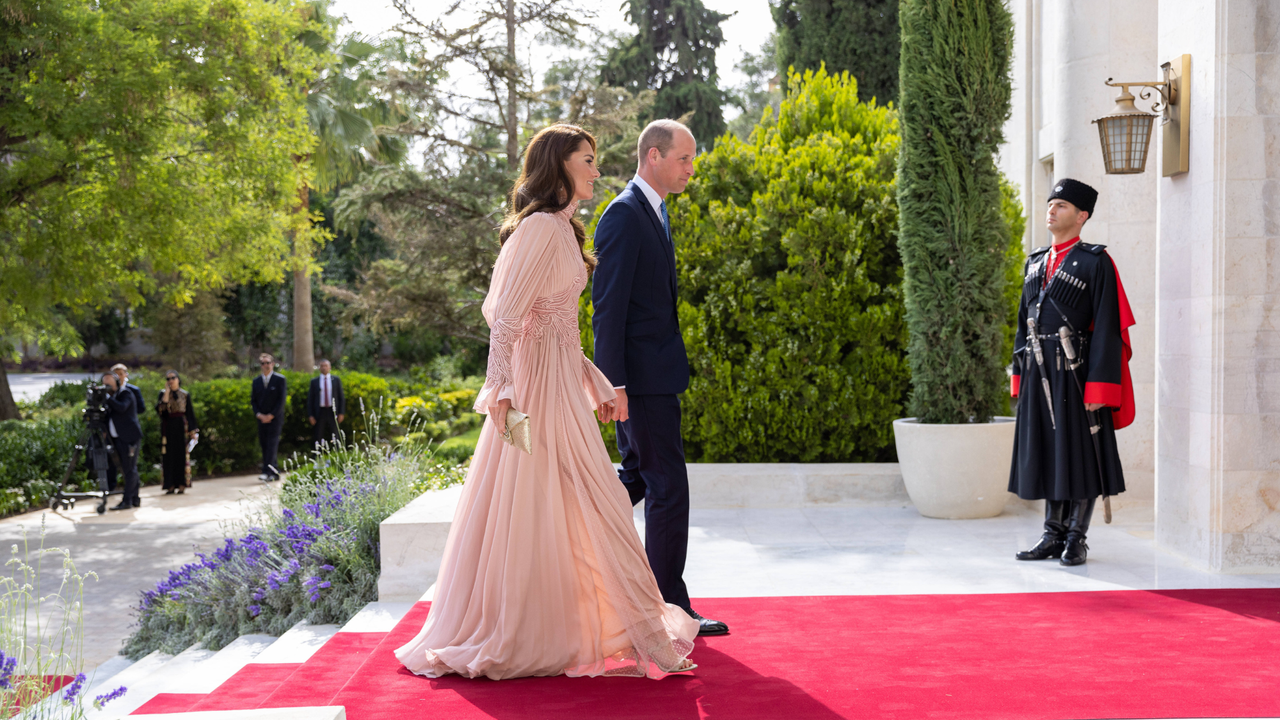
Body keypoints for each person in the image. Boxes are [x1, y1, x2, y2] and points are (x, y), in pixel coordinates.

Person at [394, 124, 699, 681]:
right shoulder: (536, 228)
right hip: (534, 389)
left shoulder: (565, 228)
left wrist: (594, 379)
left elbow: (559, 325)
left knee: (588, 499)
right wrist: (502, 391)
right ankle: (532, 629)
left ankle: (603, 623)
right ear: (559, 165)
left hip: (563, 384)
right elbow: (507, 318)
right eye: (587, 160)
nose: (596, 170)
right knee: (554, 501)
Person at [590, 119, 729, 636]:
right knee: (668, 487)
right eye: (684, 158)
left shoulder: (654, 210)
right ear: (653, 156)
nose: (692, 168)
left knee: (635, 480)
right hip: (641, 383)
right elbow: (608, 308)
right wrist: (615, 385)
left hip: (653, 375)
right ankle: (669, 609)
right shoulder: (625, 214)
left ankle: (566, 543)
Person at [1010, 178, 1136, 566]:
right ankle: (1052, 534)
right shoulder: (1034, 262)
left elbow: (1108, 328)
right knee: (1051, 454)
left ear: (1082, 216)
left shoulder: (1096, 262)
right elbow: (1022, 325)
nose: (1052, 209)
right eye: (1051, 203)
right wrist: (1018, 376)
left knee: (1081, 456)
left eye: (1062, 205)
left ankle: (1076, 538)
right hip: (1038, 371)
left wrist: (1100, 386)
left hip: (1077, 373)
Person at [102, 371, 142, 510]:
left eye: (109, 384)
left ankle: (127, 501)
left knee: (129, 469)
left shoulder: (126, 393)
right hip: (117, 439)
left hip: (130, 438)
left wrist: (107, 397)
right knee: (129, 469)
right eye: (104, 384)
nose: (106, 387)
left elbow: (121, 407)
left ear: (117, 383)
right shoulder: (111, 397)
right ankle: (135, 498)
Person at [156, 371, 198, 494]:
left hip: (181, 427)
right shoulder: (163, 394)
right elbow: (160, 411)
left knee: (181, 455)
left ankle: (181, 483)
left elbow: (190, 413)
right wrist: (166, 394)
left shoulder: (184, 394)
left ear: (178, 379)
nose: (171, 380)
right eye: (168, 378)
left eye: (173, 378)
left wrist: (193, 431)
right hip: (168, 427)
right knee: (168, 456)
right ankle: (169, 484)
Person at [251, 353, 287, 481]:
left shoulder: (280, 379)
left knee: (272, 444)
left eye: (268, 363)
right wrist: (259, 415)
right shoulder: (256, 381)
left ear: (272, 364)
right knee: (264, 444)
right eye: (263, 363)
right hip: (261, 419)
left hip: (275, 419)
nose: (265, 365)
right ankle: (275, 471)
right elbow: (253, 400)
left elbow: (281, 401)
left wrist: (271, 415)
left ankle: (266, 471)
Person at [307, 359, 345, 448]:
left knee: (335, 434)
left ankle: (337, 455)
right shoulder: (314, 381)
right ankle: (317, 456)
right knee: (318, 434)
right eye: (322, 366)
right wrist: (311, 415)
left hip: (333, 411)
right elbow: (311, 399)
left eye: (326, 366)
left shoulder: (335, 380)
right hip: (320, 411)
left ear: (329, 367)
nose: (324, 368)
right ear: (319, 368)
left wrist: (341, 412)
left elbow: (341, 397)